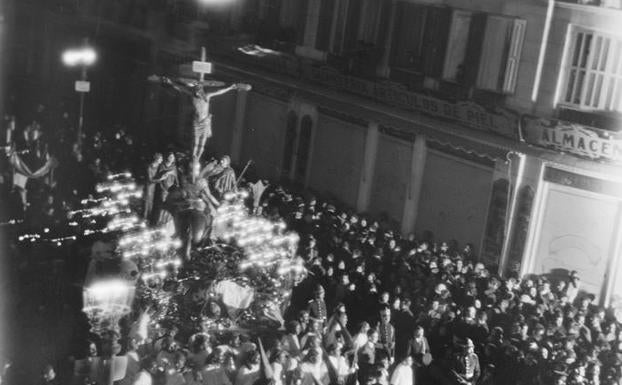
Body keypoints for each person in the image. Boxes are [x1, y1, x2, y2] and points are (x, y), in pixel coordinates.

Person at [157, 75, 247, 161]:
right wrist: (171, 82)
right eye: (195, 91)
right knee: (196, 143)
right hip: (197, 122)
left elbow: (219, 91)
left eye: (198, 92)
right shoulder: (192, 95)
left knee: (202, 143)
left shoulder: (207, 96)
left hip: (204, 122)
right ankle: (194, 157)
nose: (196, 93)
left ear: (201, 91)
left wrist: (230, 88)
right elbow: (181, 88)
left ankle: (198, 157)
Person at [144, 153, 163, 222]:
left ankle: (150, 218)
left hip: (155, 187)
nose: (162, 160)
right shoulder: (150, 167)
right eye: (161, 158)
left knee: (153, 203)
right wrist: (160, 180)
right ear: (157, 159)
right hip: (150, 187)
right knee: (148, 202)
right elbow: (150, 179)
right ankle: (146, 218)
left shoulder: (159, 166)